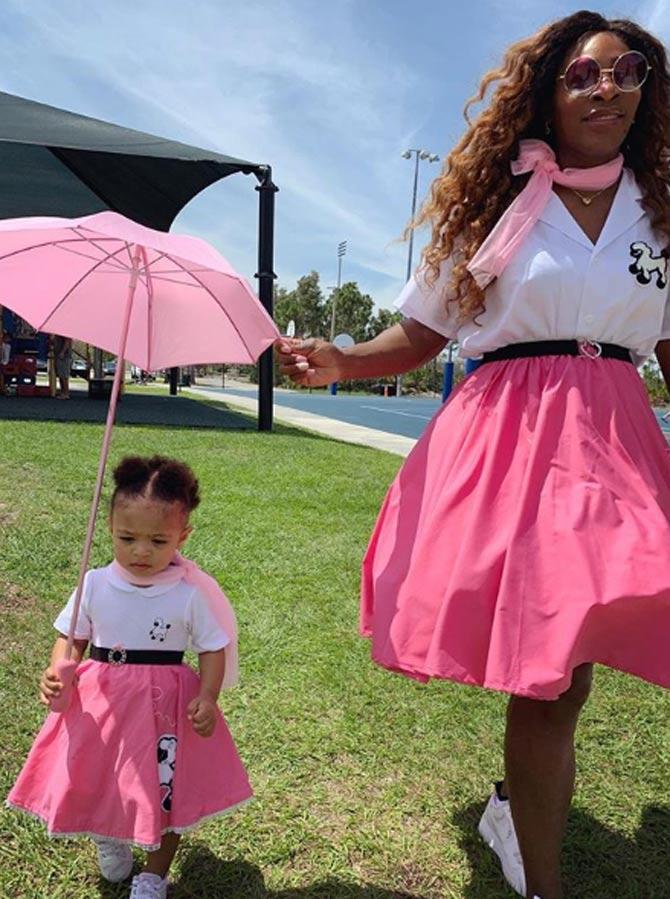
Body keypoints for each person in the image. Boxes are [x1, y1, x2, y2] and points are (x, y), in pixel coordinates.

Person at [277, 12, 670, 899]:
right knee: (549, 675)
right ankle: (543, 881)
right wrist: (342, 359)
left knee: (566, 675)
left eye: (625, 70)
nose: (606, 88)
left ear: (647, 88)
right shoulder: (500, 207)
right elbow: (420, 333)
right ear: (547, 95)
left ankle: (514, 811)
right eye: (581, 75)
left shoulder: (661, 209)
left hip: (614, 436)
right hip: (512, 442)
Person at [7, 455, 252, 899]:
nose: (142, 551)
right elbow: (72, 637)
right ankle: (110, 834)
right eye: (128, 537)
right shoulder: (95, 584)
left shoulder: (189, 592)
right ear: (109, 530)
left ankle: (153, 874)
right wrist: (55, 667)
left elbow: (212, 646)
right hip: (101, 705)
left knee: (167, 791)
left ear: (183, 536)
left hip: (165, 711)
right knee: (101, 777)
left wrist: (210, 696)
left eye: (158, 540)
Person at [52, 333, 72, 399]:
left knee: (64, 376)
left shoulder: (64, 333)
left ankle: (66, 393)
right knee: (60, 375)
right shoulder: (57, 334)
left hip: (64, 357)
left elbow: (67, 341)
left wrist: (62, 352)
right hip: (58, 355)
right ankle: (63, 392)